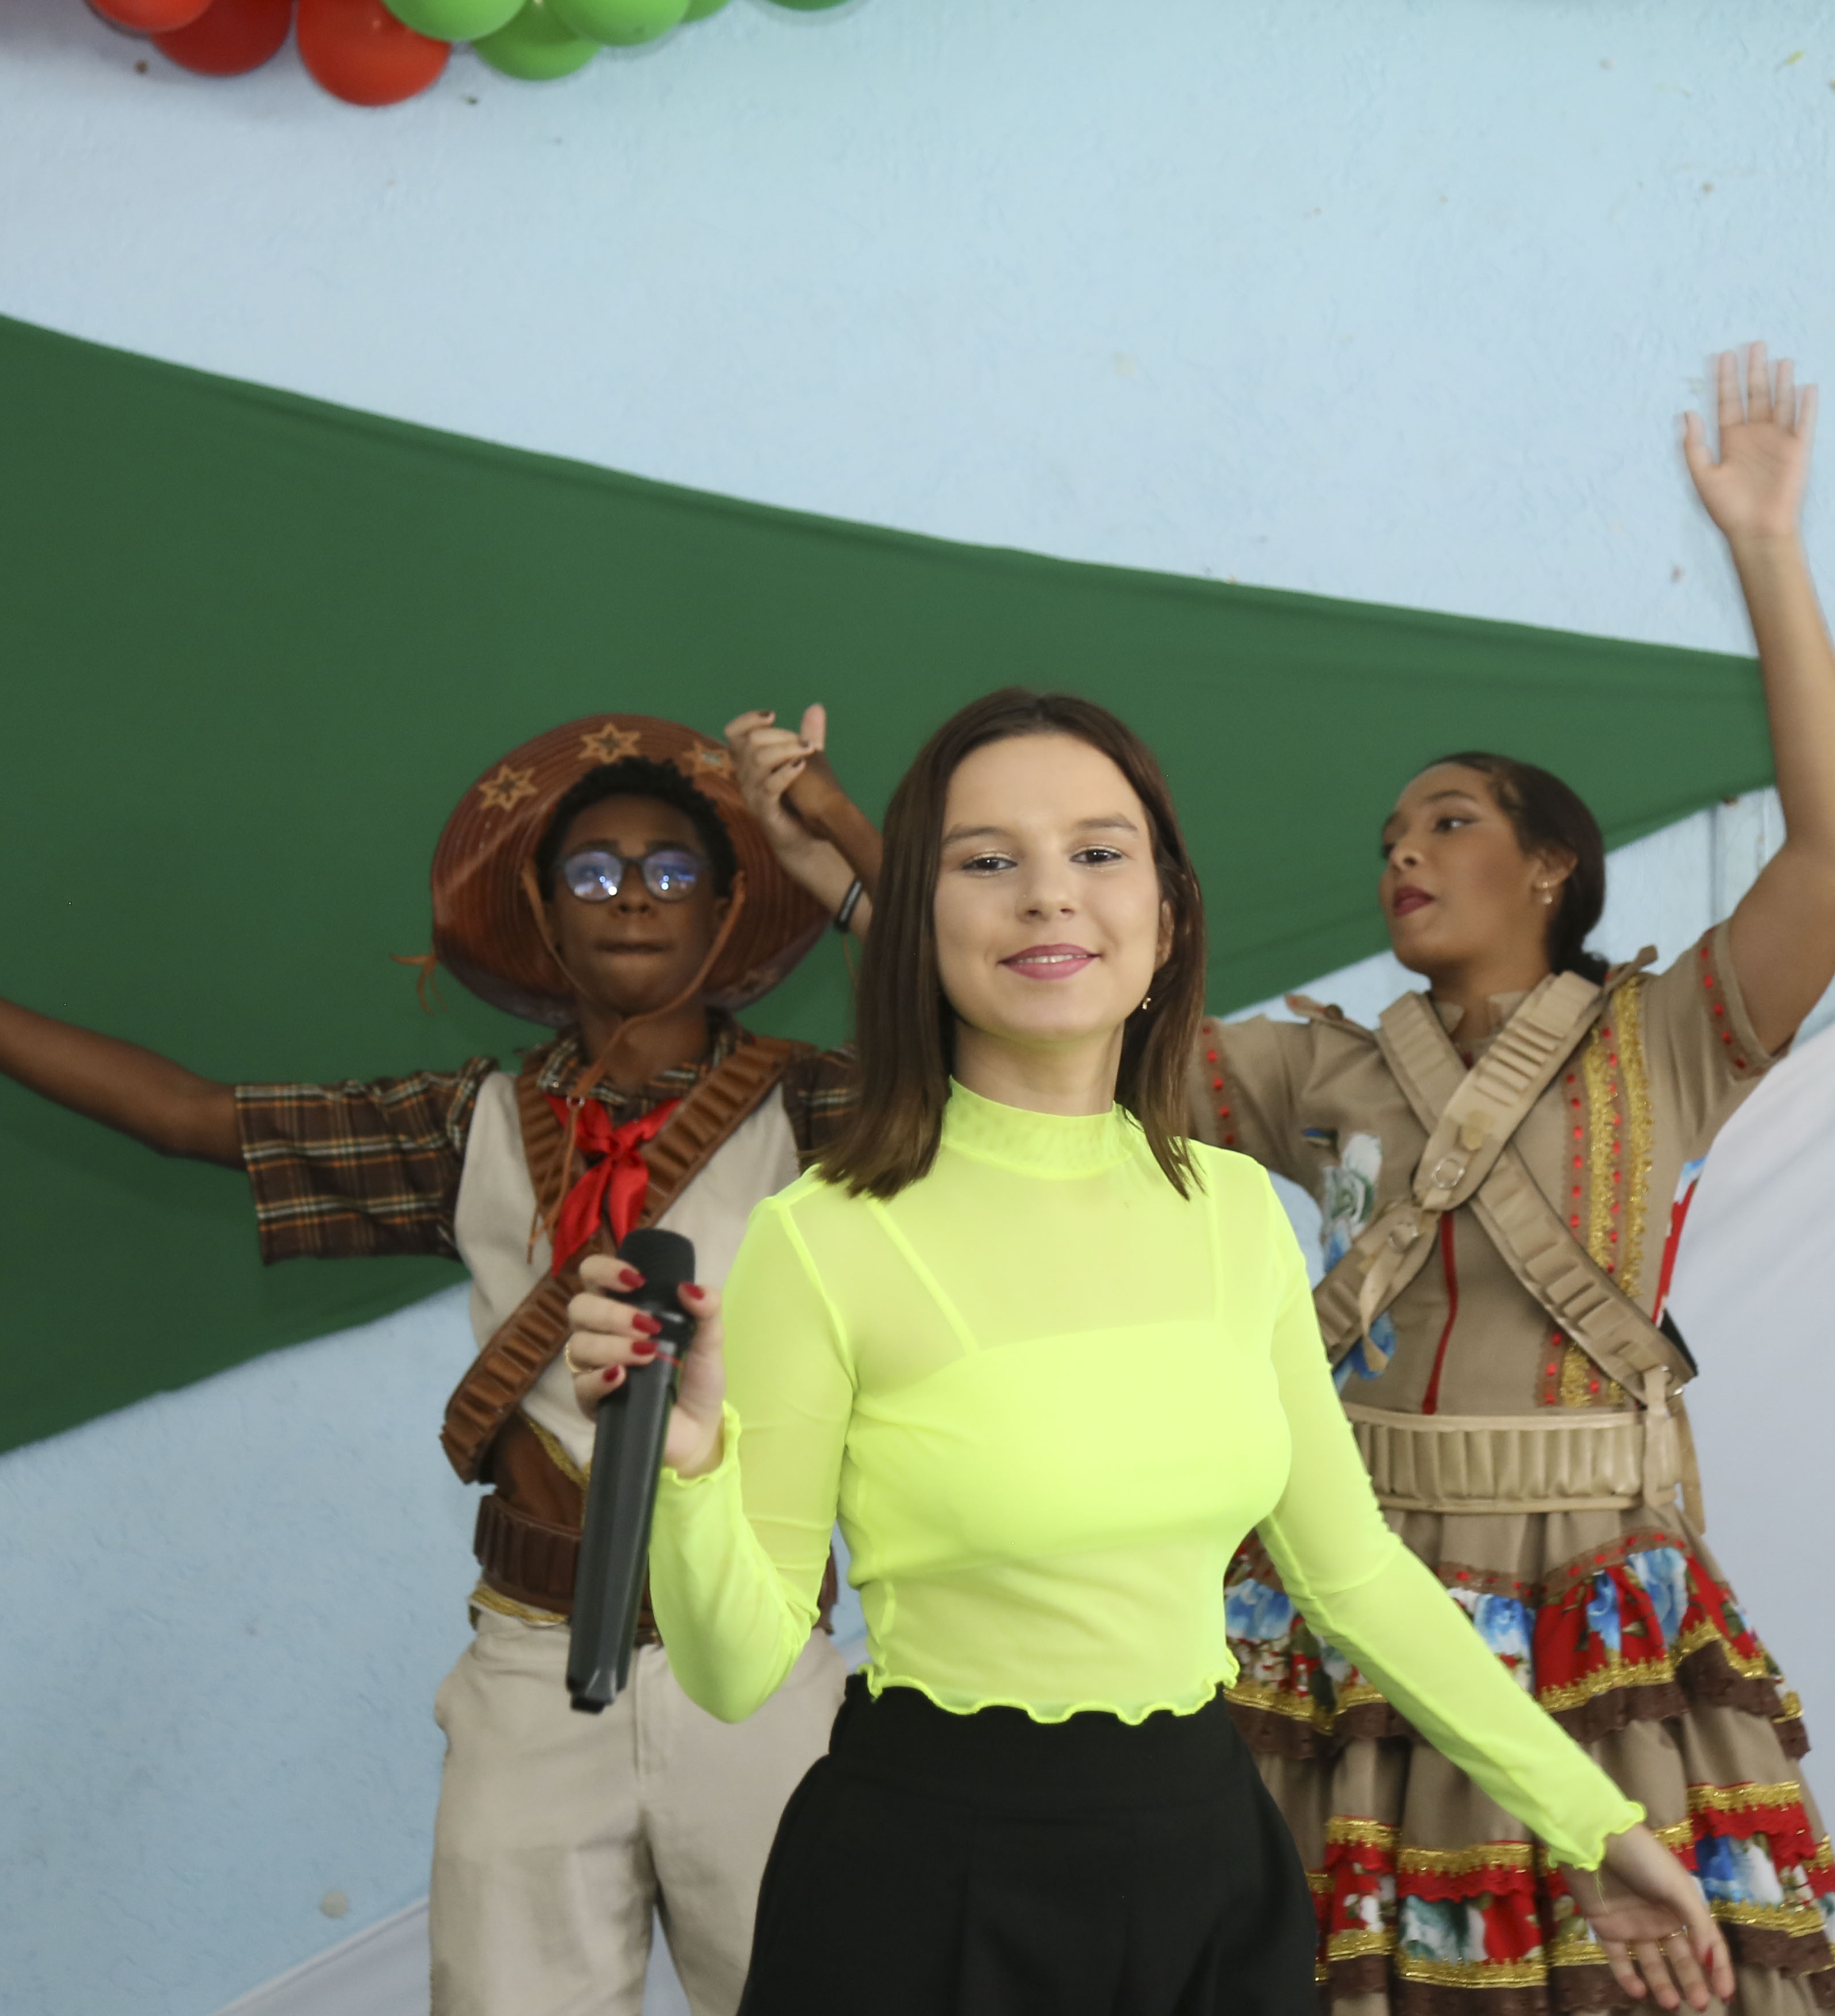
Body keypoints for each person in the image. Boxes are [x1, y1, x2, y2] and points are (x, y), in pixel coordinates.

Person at [728, 344, 1835, 2013]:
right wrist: (865, 866)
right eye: (1391, 829)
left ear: (1554, 866)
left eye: (1454, 820)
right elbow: (1058, 1006)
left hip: (1581, 1602)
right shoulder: (1317, 1073)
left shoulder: (1665, 1042)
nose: (1405, 846)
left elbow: (1833, 850)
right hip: (1330, 1610)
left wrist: (1768, 549)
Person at [564, 689, 1738, 2016]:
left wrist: (1594, 1826)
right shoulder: (823, 1234)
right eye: (987, 860)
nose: (1048, 895)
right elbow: (732, 1673)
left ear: (1166, 916)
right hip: (919, 1890)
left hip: (1210, 1878)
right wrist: (691, 1467)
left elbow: (1357, 1577)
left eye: (1097, 852)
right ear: (920, 924)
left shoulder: (1233, 1213)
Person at [0, 715, 864, 2016]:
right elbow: (192, 1117)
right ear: (546, 916)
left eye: (672, 870)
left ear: (727, 905)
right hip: (533, 1659)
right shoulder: (470, 1123)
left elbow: (991, 1035)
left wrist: (839, 838)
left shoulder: (821, 1112)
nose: (635, 898)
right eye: (594, 873)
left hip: (758, 1659)